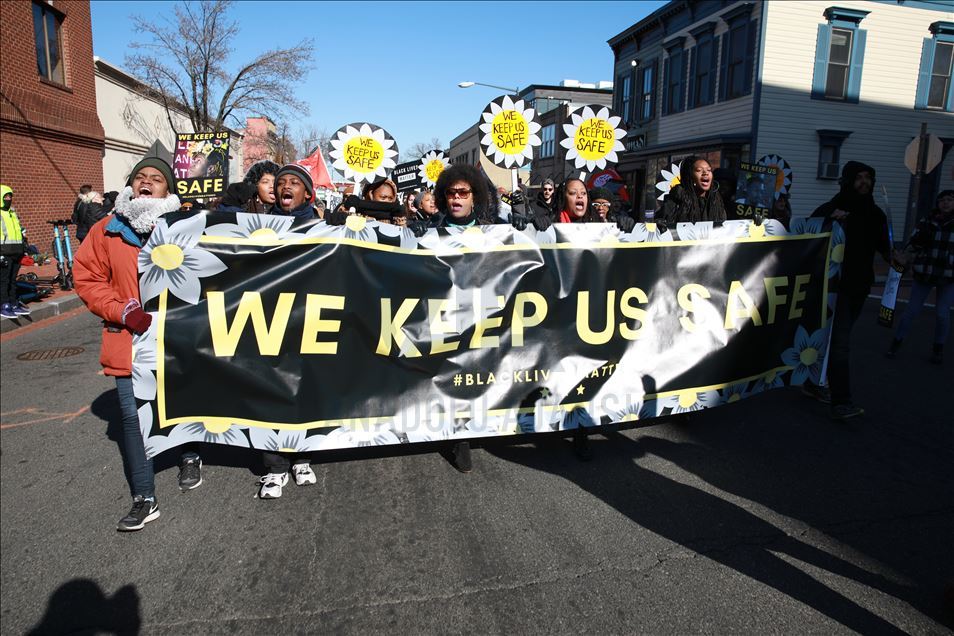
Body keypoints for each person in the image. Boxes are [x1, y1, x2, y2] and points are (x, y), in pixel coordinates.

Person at [73, 157, 203, 531]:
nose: (146, 182)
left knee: (182, 402)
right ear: (131, 185)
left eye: (156, 178)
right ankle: (144, 497)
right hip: (128, 338)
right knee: (133, 416)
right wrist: (122, 310)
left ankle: (189, 455)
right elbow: (87, 278)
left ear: (168, 189)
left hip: (180, 338)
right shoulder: (106, 229)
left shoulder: (186, 227)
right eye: (140, 177)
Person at [804, 161, 900, 420]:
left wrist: (895, 258)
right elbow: (807, 232)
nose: (864, 182)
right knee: (840, 343)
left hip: (860, 285)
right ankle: (841, 401)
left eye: (868, 177)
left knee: (832, 340)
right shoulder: (831, 208)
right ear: (847, 181)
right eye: (859, 177)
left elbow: (885, 248)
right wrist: (828, 220)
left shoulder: (876, 215)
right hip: (834, 287)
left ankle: (812, 383)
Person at [886, 189, 953, 364]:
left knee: (942, 314)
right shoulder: (927, 221)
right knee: (911, 311)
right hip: (924, 272)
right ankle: (896, 342)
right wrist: (904, 256)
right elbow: (913, 244)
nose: (946, 203)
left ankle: (938, 348)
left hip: (948, 276)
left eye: (949, 200)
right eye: (942, 200)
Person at [659, 156, 727, 225]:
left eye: (709, 170)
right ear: (690, 176)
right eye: (699, 170)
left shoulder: (716, 201)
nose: (705, 173)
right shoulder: (676, 200)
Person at [1, 184, 30, 319]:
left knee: (13, 280)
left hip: (16, 251)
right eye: (5, 196)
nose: (8, 199)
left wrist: (24, 248)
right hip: (4, 252)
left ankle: (13, 302)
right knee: (4, 280)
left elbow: (18, 231)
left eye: (10, 196)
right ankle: (4, 304)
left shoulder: (12, 213)